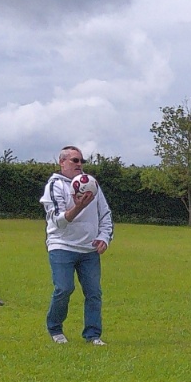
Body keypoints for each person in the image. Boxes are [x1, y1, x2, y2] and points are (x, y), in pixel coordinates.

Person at [41, 145, 112, 345]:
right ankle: (55, 329)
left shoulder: (91, 184)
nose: (79, 164)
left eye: (82, 161)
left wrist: (104, 238)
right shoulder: (55, 186)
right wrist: (79, 206)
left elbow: (105, 214)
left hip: (89, 249)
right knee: (64, 288)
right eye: (75, 160)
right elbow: (58, 221)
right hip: (62, 246)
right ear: (62, 162)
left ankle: (93, 335)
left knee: (94, 293)